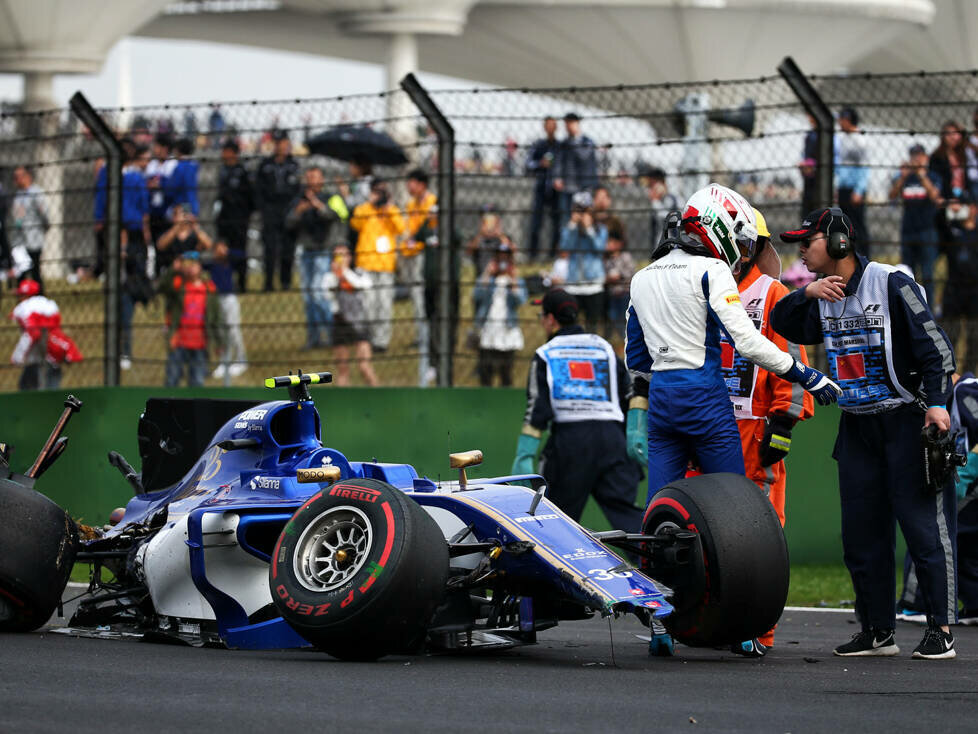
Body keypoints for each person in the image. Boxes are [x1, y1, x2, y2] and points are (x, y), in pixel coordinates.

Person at [770, 206, 959, 660]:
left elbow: (937, 349)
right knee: (861, 536)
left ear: (839, 241)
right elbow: (779, 322)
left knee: (923, 530)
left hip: (904, 421)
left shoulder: (891, 281)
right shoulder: (821, 292)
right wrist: (806, 293)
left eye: (808, 241)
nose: (801, 250)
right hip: (856, 428)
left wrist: (935, 404)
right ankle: (877, 632)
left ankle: (941, 630)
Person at [625, 184, 839, 500]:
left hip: (674, 403)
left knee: (664, 503)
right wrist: (807, 376)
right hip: (709, 404)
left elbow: (637, 357)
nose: (743, 253)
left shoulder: (643, 277)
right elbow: (749, 344)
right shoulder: (713, 271)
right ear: (720, 227)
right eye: (741, 242)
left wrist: (783, 423)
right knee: (737, 505)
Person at [716, 207, 816, 657]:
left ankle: (759, 630)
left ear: (753, 247)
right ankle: (710, 624)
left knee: (763, 533)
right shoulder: (705, 288)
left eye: (742, 245)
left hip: (756, 432)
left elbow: (792, 361)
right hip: (708, 429)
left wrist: (784, 422)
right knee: (704, 529)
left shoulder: (772, 293)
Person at [511, 288, 644, 533]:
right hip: (612, 441)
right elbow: (630, 395)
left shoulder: (545, 354)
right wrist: (637, 433)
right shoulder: (603, 348)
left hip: (570, 444)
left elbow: (537, 410)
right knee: (630, 519)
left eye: (542, 315)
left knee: (554, 520)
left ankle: (557, 566)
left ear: (550, 320)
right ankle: (654, 566)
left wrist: (524, 455)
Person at [897, 372, 978, 627]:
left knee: (931, 529)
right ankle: (975, 602)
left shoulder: (966, 390)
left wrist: (967, 472)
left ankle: (915, 603)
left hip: (973, 481)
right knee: (965, 539)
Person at [286, 166, 346, 350]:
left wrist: (318, 205)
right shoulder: (299, 199)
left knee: (319, 292)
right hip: (305, 251)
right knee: (308, 297)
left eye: (315, 177)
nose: (312, 180)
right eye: (309, 176)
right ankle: (313, 338)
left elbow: (335, 216)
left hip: (322, 251)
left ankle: (330, 334)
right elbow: (288, 222)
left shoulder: (329, 197)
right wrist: (300, 210)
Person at [349, 179, 406, 352]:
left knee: (384, 305)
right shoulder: (364, 209)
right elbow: (355, 224)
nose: (379, 196)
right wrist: (371, 205)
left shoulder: (392, 210)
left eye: (382, 192)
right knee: (368, 305)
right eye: (376, 192)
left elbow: (401, 228)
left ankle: (381, 341)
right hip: (366, 264)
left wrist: (388, 209)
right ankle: (368, 338)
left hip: (385, 266)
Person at [160, 251, 223, 387]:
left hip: (200, 343)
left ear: (200, 266)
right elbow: (163, 287)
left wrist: (219, 342)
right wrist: (173, 269)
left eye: (193, 265)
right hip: (179, 341)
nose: (190, 268)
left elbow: (216, 318)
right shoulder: (178, 285)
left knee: (197, 381)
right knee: (172, 379)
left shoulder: (209, 287)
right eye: (187, 265)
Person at [889, 143, 943, 305]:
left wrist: (921, 175)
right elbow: (892, 196)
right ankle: (910, 307)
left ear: (925, 158)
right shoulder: (904, 178)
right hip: (908, 230)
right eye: (914, 155)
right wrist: (904, 176)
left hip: (927, 230)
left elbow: (935, 196)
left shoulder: (933, 177)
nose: (916, 159)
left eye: (919, 156)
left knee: (927, 274)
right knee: (907, 273)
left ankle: (930, 308)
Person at [9, 279, 82, 391]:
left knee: (26, 390)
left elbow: (32, 334)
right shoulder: (49, 304)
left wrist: (17, 356)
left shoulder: (24, 307)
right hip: (56, 351)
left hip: (40, 356)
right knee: (51, 392)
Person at [323, 244, 380, 387]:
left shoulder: (359, 273)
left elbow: (362, 286)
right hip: (340, 322)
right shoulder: (329, 277)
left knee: (364, 367)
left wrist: (344, 272)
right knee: (343, 370)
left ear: (350, 257)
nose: (341, 259)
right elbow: (327, 296)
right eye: (337, 256)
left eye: (344, 255)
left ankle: (379, 396)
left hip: (359, 322)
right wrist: (337, 276)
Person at [472, 242, 527, 387]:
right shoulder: (488, 279)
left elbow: (520, 300)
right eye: (499, 258)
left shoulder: (516, 280)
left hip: (507, 328)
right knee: (486, 371)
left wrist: (514, 280)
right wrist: (486, 274)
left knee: (506, 372)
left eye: (505, 259)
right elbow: (476, 296)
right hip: (488, 327)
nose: (502, 263)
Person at [255, 129, 301, 291]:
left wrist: (294, 211)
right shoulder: (265, 165)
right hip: (270, 211)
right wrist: (264, 210)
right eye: (277, 143)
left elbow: (298, 191)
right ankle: (268, 282)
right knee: (270, 249)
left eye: (282, 142)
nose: (280, 146)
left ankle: (285, 281)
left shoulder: (294, 166)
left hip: (288, 211)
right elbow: (259, 190)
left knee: (288, 249)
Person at [559, 190, 606, 332]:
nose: (581, 213)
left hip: (593, 285)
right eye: (578, 209)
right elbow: (564, 247)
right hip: (573, 284)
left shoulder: (600, 229)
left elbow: (600, 249)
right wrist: (573, 226)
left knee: (592, 327)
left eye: (585, 210)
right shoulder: (569, 229)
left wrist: (589, 228)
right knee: (571, 326)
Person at [942, 193, 978, 373]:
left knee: (974, 337)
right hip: (954, 289)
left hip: (975, 291)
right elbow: (938, 220)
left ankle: (969, 373)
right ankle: (950, 372)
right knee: (950, 334)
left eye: (967, 205)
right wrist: (949, 208)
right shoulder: (952, 230)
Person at [215, 139, 255, 293]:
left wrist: (245, 213)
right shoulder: (223, 171)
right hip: (224, 217)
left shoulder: (242, 172)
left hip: (239, 218)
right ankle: (227, 281)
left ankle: (242, 282)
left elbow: (250, 197)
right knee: (225, 250)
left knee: (240, 250)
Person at [206, 240, 248, 379]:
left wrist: (227, 252)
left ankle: (241, 360)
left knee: (233, 329)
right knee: (221, 330)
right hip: (216, 299)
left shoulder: (229, 262)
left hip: (229, 298)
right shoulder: (212, 264)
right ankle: (225, 362)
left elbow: (243, 255)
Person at [525, 116, 562, 261]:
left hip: (556, 190)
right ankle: (532, 255)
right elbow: (529, 164)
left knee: (556, 224)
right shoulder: (539, 145)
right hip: (541, 187)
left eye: (553, 125)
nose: (550, 128)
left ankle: (552, 255)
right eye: (548, 125)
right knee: (536, 223)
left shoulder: (560, 146)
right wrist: (541, 164)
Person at [835, 107, 871, 255]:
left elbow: (864, 166)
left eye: (841, 119)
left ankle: (863, 255)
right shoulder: (842, 139)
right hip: (843, 186)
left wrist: (859, 189)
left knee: (857, 225)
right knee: (844, 225)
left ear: (847, 119)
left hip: (854, 189)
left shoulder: (860, 140)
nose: (839, 123)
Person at [553, 112, 598, 225]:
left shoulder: (586, 141)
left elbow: (584, 156)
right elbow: (558, 161)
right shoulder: (563, 143)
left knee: (584, 219)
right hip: (567, 186)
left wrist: (574, 141)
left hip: (583, 187)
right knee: (566, 220)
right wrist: (557, 177)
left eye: (570, 123)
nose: (568, 127)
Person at [8, 166, 49, 287]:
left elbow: (44, 214)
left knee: (35, 271)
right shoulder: (18, 195)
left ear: (28, 176)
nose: (17, 180)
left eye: (19, 176)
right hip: (20, 241)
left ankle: (39, 297)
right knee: (21, 271)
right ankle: (23, 298)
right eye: (15, 177)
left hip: (33, 239)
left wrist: (43, 228)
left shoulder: (36, 193)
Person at [603, 228, 635, 344]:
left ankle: (625, 340)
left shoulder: (625, 257)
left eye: (611, 242)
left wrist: (619, 276)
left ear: (619, 244)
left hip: (624, 293)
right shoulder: (607, 259)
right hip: (613, 294)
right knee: (613, 316)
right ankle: (618, 340)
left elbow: (630, 272)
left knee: (623, 318)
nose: (608, 244)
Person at [465, 204, 515, 275]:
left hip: (500, 277)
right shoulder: (477, 237)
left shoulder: (503, 237)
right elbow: (468, 252)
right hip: (482, 278)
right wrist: (481, 234)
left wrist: (499, 234)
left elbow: (513, 251)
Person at [641, 167, 680, 251]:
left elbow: (667, 217)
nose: (649, 189)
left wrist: (655, 201)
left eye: (651, 185)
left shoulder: (671, 199)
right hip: (658, 245)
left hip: (672, 246)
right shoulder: (654, 201)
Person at [164, 137, 200, 220]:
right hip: (193, 203)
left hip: (181, 205)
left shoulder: (180, 167)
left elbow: (172, 188)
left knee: (180, 230)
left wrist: (163, 182)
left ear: (178, 150)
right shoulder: (194, 165)